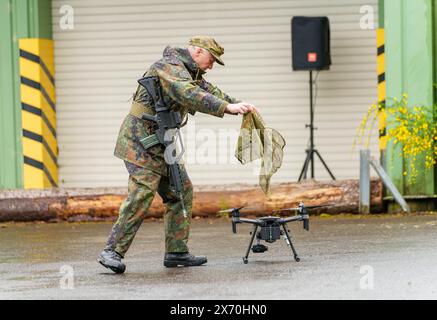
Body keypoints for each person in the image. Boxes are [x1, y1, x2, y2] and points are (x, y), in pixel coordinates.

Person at [98, 36, 256, 273]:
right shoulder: (169, 67)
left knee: (180, 191)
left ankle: (176, 251)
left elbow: (208, 90)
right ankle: (112, 251)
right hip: (140, 141)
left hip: (161, 141)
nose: (212, 65)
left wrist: (237, 104)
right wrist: (226, 108)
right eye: (211, 59)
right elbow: (188, 94)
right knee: (142, 193)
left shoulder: (189, 72)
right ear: (197, 51)